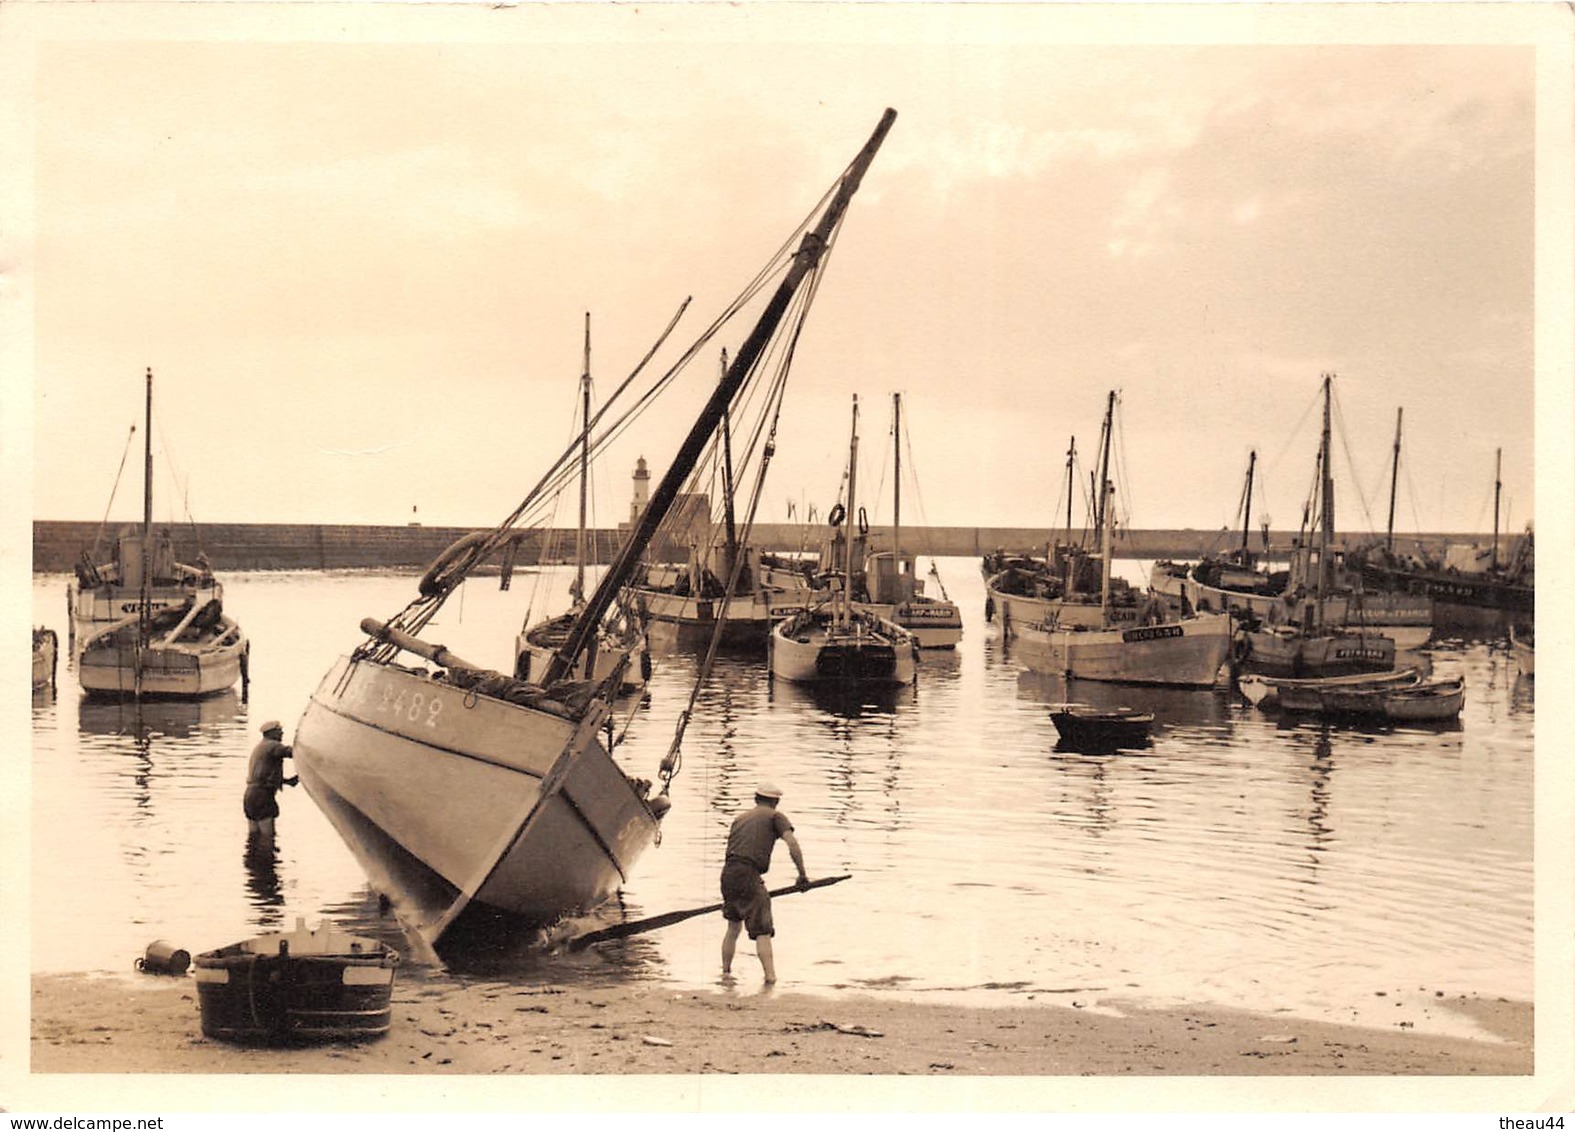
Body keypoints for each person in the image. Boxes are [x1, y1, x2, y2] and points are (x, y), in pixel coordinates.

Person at [720, 781, 809, 984]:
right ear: (775, 801)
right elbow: (792, 844)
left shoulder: (740, 818)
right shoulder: (776, 817)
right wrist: (802, 875)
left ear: (756, 798)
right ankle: (770, 978)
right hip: (748, 873)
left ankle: (725, 973)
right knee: (763, 929)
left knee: (733, 926)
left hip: (728, 873)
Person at [243, 720, 298, 840]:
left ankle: (254, 857)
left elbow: (262, 775)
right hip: (262, 795)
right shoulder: (273, 745)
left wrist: (287, 781)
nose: (282, 733)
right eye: (279, 731)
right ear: (272, 733)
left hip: (250, 795)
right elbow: (294, 753)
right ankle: (268, 857)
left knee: (254, 835)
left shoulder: (260, 746)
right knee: (268, 837)